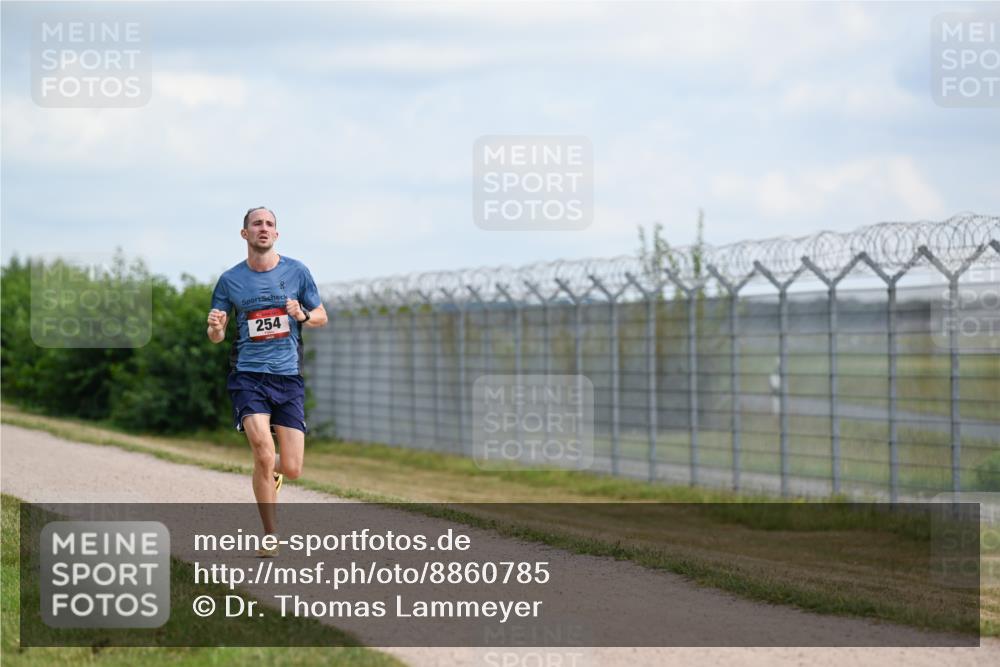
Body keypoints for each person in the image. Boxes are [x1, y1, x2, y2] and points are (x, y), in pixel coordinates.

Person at [206, 206, 328, 556]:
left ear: (276, 234)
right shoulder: (230, 280)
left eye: (269, 224)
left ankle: (272, 471)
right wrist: (216, 329)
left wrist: (302, 314)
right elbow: (216, 335)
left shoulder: (297, 272)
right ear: (244, 233)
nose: (264, 228)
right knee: (262, 451)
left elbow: (321, 315)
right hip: (248, 376)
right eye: (257, 223)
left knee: (292, 468)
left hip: (288, 377)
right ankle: (271, 535)